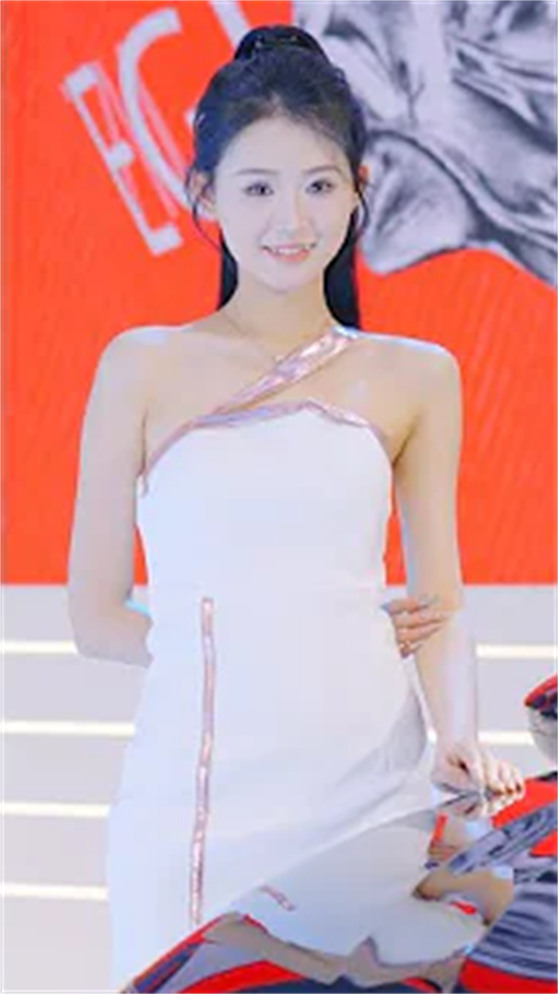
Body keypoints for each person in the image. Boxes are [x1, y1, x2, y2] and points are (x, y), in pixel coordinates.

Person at [67, 24, 524, 988]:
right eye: (258, 188)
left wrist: (459, 737)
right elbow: (96, 617)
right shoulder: (141, 366)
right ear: (205, 197)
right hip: (197, 814)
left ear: (359, 189)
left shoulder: (417, 377)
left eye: (319, 186)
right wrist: (274, 637)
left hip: (370, 802)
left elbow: (439, 605)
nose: (291, 219)